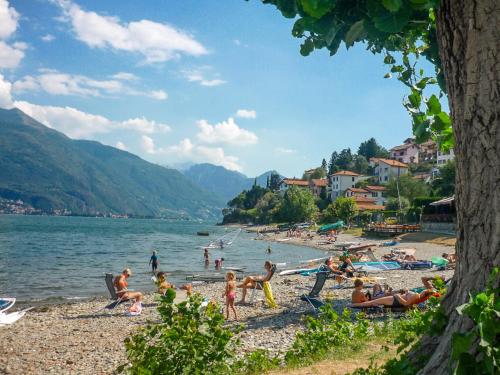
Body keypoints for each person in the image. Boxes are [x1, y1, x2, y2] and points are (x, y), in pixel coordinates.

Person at [350, 289, 435, 308]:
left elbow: (406, 303)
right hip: (395, 300)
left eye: (424, 290)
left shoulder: (417, 295)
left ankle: (352, 305)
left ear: (424, 292)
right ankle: (354, 304)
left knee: (372, 302)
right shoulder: (419, 297)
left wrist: (398, 296)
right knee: (373, 301)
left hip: (395, 300)